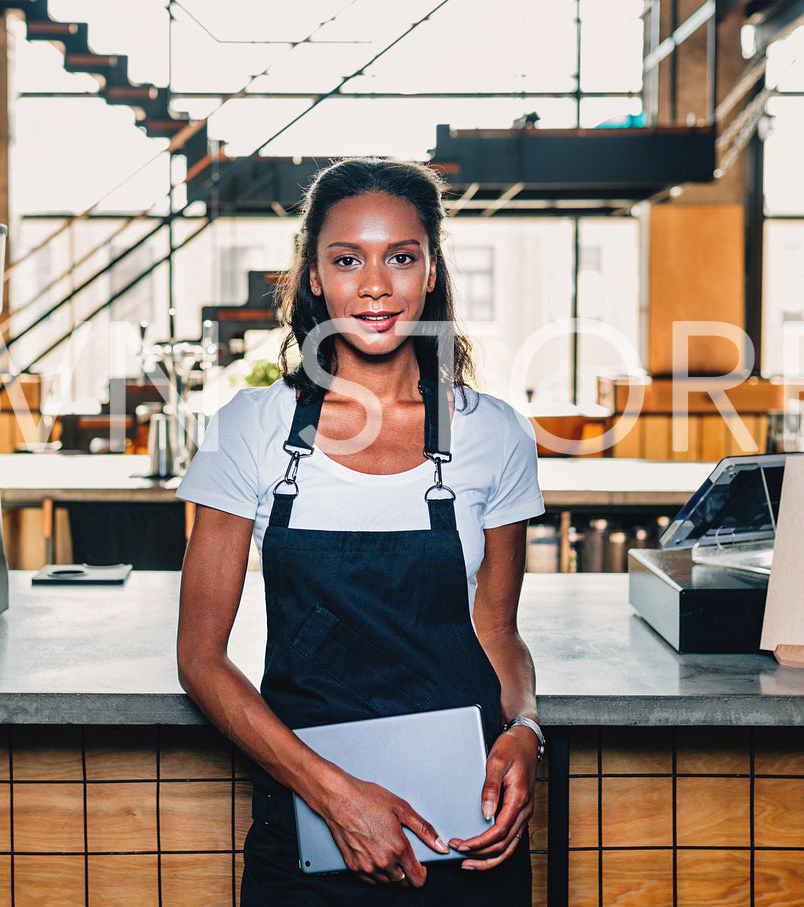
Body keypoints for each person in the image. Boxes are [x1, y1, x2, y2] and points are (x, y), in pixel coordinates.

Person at [176, 156, 545, 903]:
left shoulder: (493, 433)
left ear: (430, 271)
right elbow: (199, 660)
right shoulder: (249, 429)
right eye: (347, 260)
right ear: (314, 277)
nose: (374, 285)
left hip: (465, 828)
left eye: (400, 257)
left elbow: (497, 633)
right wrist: (336, 797)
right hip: (309, 825)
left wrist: (526, 731)